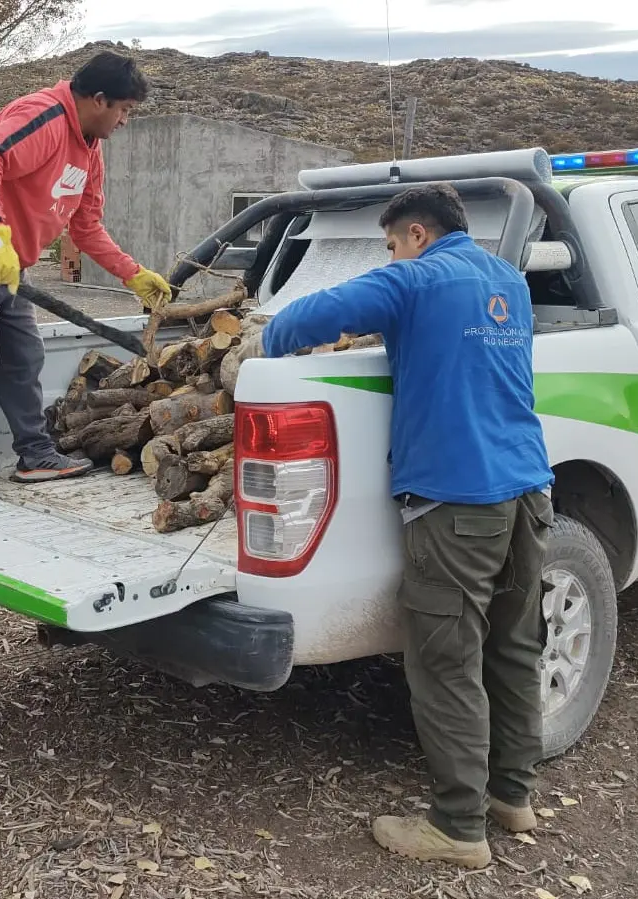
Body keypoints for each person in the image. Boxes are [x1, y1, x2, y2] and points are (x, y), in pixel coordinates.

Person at [258, 183, 555, 869]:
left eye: (391, 244)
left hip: (456, 501)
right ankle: (513, 795)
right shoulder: (506, 276)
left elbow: (310, 318)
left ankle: (457, 825)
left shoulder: (416, 279)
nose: (390, 256)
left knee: (446, 660)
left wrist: (269, 339)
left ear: (416, 235)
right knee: (512, 646)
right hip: (528, 489)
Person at [0, 50, 174, 497]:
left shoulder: (90, 152)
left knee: (24, 355)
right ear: (99, 100)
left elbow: (86, 226)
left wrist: (131, 274)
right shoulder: (44, 117)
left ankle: (35, 456)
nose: (125, 121)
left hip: (9, 262)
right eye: (125, 110)